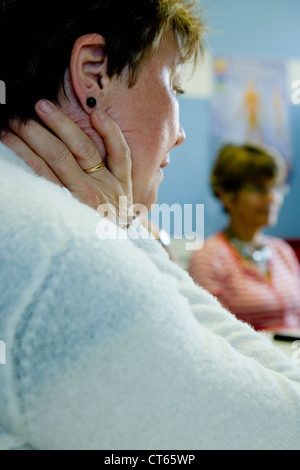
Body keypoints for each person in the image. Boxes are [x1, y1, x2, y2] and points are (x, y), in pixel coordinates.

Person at [1, 0, 300, 451]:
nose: (180, 133)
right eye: (175, 87)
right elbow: (285, 427)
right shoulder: (67, 255)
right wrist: (124, 233)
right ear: (94, 74)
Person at [189, 144, 300, 332]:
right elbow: (211, 331)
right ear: (227, 195)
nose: (272, 199)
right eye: (259, 189)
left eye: (276, 188)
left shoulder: (282, 251)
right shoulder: (209, 258)